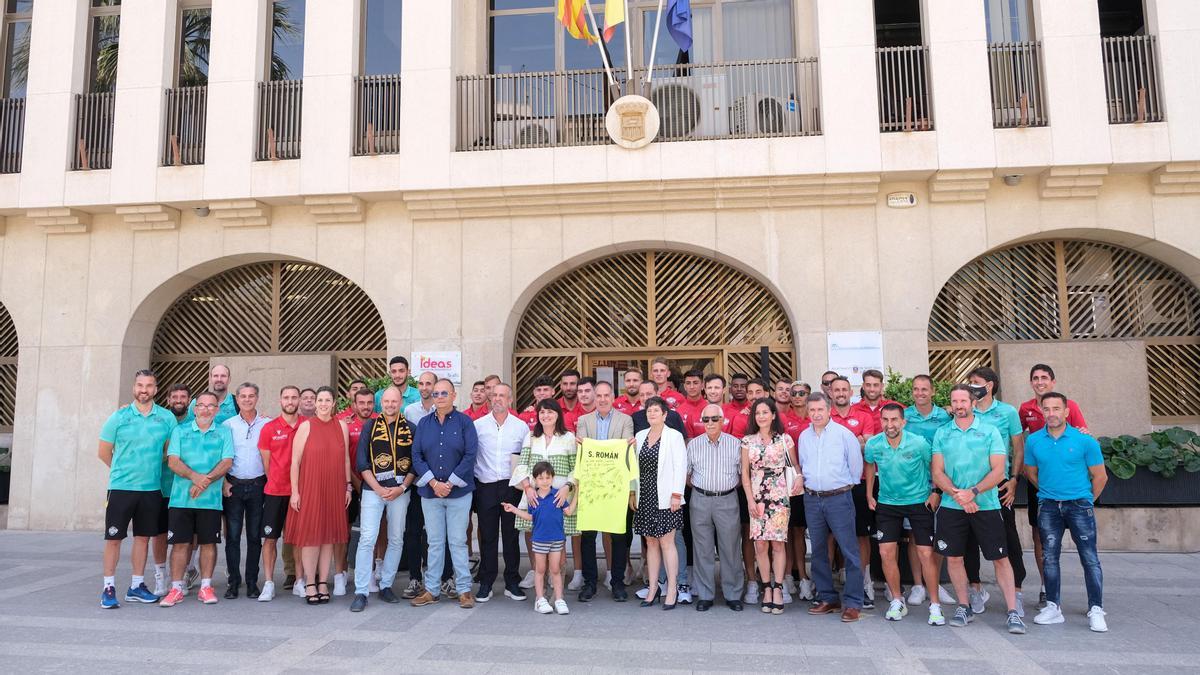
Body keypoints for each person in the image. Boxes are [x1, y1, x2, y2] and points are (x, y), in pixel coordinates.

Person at [931, 385, 1025, 634]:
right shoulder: (942, 433)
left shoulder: (990, 431)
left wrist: (973, 492)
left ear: (972, 403)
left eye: (963, 400)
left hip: (987, 505)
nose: (959, 405)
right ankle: (964, 606)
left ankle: (1013, 611)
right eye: (955, 401)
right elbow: (937, 472)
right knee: (953, 557)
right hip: (952, 506)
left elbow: (998, 471)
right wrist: (958, 495)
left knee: (1000, 558)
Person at [1026, 392, 1107, 632]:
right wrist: (1050, 491)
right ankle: (1053, 607)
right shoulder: (1034, 441)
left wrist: (1086, 500)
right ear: (1042, 411)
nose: (1051, 413)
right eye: (1047, 409)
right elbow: (1030, 473)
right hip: (1049, 505)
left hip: (1079, 505)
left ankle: (1096, 609)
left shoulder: (1085, 441)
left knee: (1089, 558)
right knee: (1049, 557)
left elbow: (1101, 476)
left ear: (1066, 411)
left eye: (1056, 408)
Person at [97, 369, 178, 608]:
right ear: (134, 388)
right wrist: (123, 470)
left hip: (152, 489)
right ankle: (108, 587)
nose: (144, 390)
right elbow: (103, 451)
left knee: (143, 538)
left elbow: (169, 451)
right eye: (140, 385)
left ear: (155, 389)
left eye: (149, 386)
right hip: (121, 488)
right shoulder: (118, 417)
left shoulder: (166, 418)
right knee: (114, 538)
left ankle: (136, 586)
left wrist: (149, 466)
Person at [865, 404, 944, 625]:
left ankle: (935, 605)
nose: (890, 425)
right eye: (885, 420)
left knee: (925, 554)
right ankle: (897, 600)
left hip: (918, 502)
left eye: (894, 420)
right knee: (885, 552)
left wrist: (935, 492)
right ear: (880, 421)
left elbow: (934, 467)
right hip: (888, 504)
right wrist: (870, 495)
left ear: (903, 422)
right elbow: (870, 465)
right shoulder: (873, 444)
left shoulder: (918, 443)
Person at [1019, 363, 1089, 609]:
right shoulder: (1025, 409)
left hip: (1069, 485)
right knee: (1040, 534)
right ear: (1031, 383)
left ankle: (1094, 598)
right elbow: (1018, 440)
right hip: (1039, 482)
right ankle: (1044, 586)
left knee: (1084, 545)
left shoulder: (1069, 407)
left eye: (1044, 378)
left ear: (1053, 382)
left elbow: (1083, 435)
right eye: (1035, 378)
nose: (1040, 381)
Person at [158, 392, 235, 607]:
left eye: (211, 406)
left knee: (208, 543)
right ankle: (175, 589)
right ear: (195, 409)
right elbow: (173, 461)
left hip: (210, 501)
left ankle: (206, 587)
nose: (206, 409)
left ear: (217, 410)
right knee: (180, 544)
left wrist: (204, 482)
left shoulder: (224, 432)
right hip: (181, 500)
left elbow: (227, 461)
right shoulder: (180, 431)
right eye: (201, 405)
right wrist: (195, 477)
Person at [410, 379, 479, 609]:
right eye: (436, 393)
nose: (439, 396)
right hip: (431, 494)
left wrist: (448, 483)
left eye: (444, 393)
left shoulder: (465, 423)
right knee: (435, 542)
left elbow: (470, 455)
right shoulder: (423, 423)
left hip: (458, 493)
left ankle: (464, 590)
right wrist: (433, 482)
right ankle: (432, 590)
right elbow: (416, 455)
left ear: (453, 395)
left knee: (458, 542)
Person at [798, 393, 865, 622]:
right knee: (817, 550)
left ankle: (854, 602)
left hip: (839, 498)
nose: (816, 414)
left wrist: (838, 489)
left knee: (849, 550)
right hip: (812, 499)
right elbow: (804, 465)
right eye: (812, 410)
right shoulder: (804, 437)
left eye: (820, 410)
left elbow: (855, 470)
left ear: (829, 410)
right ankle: (828, 598)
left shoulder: (844, 435)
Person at [966, 366, 1027, 616]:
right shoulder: (965, 410)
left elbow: (1018, 448)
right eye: (969, 383)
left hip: (1000, 486)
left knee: (1007, 537)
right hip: (969, 487)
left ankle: (1017, 591)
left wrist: (1014, 479)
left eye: (976, 382)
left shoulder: (1007, 412)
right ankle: (976, 589)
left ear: (989, 385)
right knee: (969, 538)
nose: (971, 386)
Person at [350, 386, 414, 612]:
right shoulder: (369, 426)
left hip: (400, 492)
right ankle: (361, 591)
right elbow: (361, 462)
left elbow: (415, 463)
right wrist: (377, 488)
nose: (390, 405)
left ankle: (386, 585)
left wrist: (402, 488)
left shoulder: (411, 428)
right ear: (381, 403)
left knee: (396, 539)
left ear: (400, 403)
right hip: (372, 490)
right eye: (386, 401)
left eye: (394, 401)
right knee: (367, 538)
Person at [287, 387, 352, 605]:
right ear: (315, 403)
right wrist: (295, 492)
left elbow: (345, 460)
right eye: (320, 400)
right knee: (311, 536)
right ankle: (309, 583)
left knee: (328, 536)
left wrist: (348, 486)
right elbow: (294, 462)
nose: (323, 404)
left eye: (327, 400)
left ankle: (323, 581)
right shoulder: (306, 427)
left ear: (334, 403)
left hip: (334, 487)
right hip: (311, 487)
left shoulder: (341, 426)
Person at [574, 380, 636, 602]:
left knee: (619, 536)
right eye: (598, 395)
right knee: (588, 538)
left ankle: (617, 582)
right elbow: (581, 451)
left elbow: (628, 450)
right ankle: (590, 583)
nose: (601, 399)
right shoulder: (583, 421)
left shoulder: (625, 420)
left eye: (606, 395)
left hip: (615, 487)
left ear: (613, 397)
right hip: (591, 488)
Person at [631, 380, 691, 602]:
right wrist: (633, 493)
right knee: (651, 543)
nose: (652, 413)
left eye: (656, 410)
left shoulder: (673, 436)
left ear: (665, 414)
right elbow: (633, 468)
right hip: (645, 496)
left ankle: (673, 588)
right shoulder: (639, 437)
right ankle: (653, 587)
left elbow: (680, 466)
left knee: (667, 542)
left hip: (667, 497)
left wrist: (677, 494)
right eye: (649, 410)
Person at [513, 400, 580, 591]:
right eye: (542, 412)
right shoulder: (531, 437)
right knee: (535, 535)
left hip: (559, 497)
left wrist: (567, 487)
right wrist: (527, 487)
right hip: (534, 495)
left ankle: (556, 580)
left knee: (559, 540)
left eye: (550, 412)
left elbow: (575, 468)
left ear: (558, 414)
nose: (545, 416)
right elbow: (522, 465)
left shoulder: (568, 437)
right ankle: (538, 576)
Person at [472, 382, 529, 602]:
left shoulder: (521, 427)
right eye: (494, 395)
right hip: (485, 485)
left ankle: (512, 582)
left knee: (511, 536)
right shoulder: (477, 426)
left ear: (510, 399)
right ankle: (486, 582)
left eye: (502, 395)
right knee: (487, 537)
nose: (497, 399)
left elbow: (524, 459)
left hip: (510, 486)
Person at [740, 398, 798, 616]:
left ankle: (778, 588)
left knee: (778, 545)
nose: (761, 416)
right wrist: (749, 501)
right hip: (756, 498)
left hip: (779, 498)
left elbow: (794, 467)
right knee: (761, 546)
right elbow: (745, 474)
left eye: (765, 412)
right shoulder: (747, 441)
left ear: (774, 415)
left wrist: (799, 477)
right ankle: (766, 588)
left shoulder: (785, 440)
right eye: (757, 413)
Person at [902, 374, 955, 608]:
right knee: (915, 535)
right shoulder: (905, 416)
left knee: (938, 533)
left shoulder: (944, 417)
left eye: (924, 389)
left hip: (939, 484)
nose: (920, 393)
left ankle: (934, 582)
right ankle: (917, 585)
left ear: (933, 392)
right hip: (912, 484)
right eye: (916, 389)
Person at [686, 403, 744, 611]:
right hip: (700, 500)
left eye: (714, 419)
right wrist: (704, 490)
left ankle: (733, 594)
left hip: (727, 500)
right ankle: (705, 594)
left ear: (722, 420)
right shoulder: (693, 445)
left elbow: (741, 475)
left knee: (730, 548)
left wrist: (723, 489)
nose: (709, 423)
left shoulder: (735, 444)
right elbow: (687, 475)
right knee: (702, 549)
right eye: (705, 419)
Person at [829, 376, 879, 608]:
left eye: (844, 390)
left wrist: (844, 442)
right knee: (829, 536)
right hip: (831, 486)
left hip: (858, 483)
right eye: (836, 389)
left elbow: (868, 445)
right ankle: (828, 586)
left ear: (851, 392)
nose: (840, 393)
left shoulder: (864, 416)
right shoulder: (824, 416)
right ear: (830, 392)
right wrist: (854, 440)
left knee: (861, 536)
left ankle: (864, 582)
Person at [399, 370, 449, 599]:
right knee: (413, 531)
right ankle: (415, 578)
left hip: (442, 484)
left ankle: (445, 578)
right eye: (420, 383)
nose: (424, 387)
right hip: (418, 482)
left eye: (429, 383)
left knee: (441, 533)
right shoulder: (409, 411)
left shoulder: (446, 412)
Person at [505, 461, 577, 615]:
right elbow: (530, 517)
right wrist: (514, 510)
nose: (545, 481)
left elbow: (569, 511)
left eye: (548, 478)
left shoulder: (557, 495)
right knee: (540, 569)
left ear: (553, 478)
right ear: (535, 480)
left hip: (557, 539)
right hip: (539, 540)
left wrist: (578, 493)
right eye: (541, 478)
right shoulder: (533, 498)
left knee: (555, 570)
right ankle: (540, 599)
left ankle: (559, 599)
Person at [221, 383, 270, 599]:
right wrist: (223, 481)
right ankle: (233, 581)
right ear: (237, 399)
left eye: (251, 396)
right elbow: (219, 456)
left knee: (253, 536)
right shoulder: (227, 425)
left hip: (258, 486)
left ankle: (252, 581)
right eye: (243, 396)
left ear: (257, 398)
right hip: (234, 486)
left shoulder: (267, 424)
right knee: (231, 536)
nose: (247, 400)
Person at [256, 385, 302, 603]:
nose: (290, 401)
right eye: (286, 397)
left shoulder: (307, 425)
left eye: (294, 397)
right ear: (280, 400)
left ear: (300, 400)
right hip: (275, 492)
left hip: (300, 493)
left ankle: (300, 581)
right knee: (270, 539)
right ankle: (268, 583)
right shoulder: (269, 428)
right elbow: (266, 463)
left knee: (300, 540)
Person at [729, 377, 769, 604]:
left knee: (772, 537)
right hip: (747, 484)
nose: (753, 396)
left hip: (772, 488)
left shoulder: (775, 417)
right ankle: (752, 581)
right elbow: (737, 452)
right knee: (748, 533)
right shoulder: (739, 417)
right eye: (750, 392)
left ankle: (772, 581)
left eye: (758, 392)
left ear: (765, 393)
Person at [335, 388, 376, 597]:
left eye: (370, 402)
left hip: (375, 486)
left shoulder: (380, 421)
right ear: (354, 403)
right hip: (350, 484)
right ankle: (340, 575)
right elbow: (343, 457)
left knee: (373, 532)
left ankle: (370, 573)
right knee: (344, 532)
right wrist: (355, 482)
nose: (366, 407)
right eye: (362, 402)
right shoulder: (343, 422)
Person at [153, 383, 191, 596]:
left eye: (183, 396)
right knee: (159, 534)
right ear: (168, 399)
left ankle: (182, 574)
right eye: (174, 396)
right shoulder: (160, 422)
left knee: (186, 536)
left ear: (189, 400)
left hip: (185, 488)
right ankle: (160, 576)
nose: (178, 400)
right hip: (161, 487)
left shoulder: (195, 422)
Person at [783, 381, 815, 601]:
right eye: (793, 393)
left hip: (812, 481)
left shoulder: (815, 418)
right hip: (787, 482)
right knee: (785, 531)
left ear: (808, 395)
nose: (797, 396)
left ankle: (804, 577)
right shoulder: (783, 419)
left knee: (800, 531)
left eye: (801, 393)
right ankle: (786, 577)